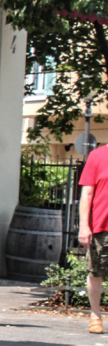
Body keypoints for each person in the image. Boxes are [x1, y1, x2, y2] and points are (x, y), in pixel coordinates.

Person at [77, 142, 108, 333]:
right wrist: (83, 226)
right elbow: (87, 194)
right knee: (96, 272)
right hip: (101, 226)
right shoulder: (97, 156)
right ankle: (95, 315)